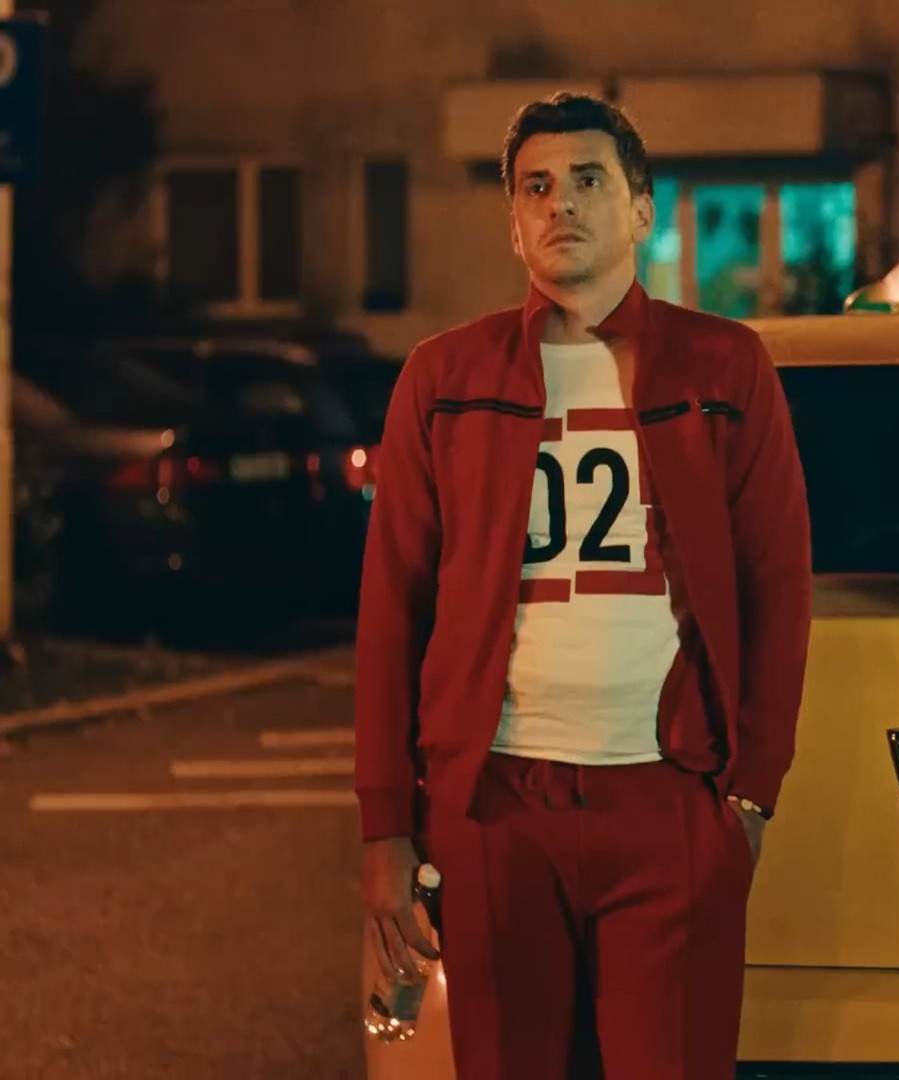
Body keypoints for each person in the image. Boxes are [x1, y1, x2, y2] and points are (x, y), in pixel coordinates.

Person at [353, 92, 811, 1079]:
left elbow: (777, 586)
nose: (561, 203)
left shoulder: (726, 366)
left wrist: (751, 795)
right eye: (537, 186)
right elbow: (393, 608)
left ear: (642, 210)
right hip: (494, 802)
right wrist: (386, 824)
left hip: (668, 793)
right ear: (513, 224)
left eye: (588, 180)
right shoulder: (444, 377)